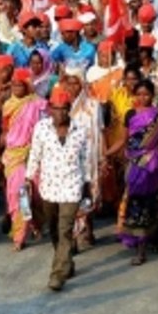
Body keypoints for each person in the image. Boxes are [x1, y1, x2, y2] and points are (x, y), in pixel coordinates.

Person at [26, 87, 91, 290]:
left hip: (72, 187)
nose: (59, 114)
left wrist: (88, 184)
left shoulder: (80, 130)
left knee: (65, 230)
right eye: (55, 109)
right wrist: (28, 178)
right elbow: (35, 154)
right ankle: (66, 261)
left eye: (64, 109)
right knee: (53, 228)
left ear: (69, 109)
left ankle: (57, 275)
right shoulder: (41, 128)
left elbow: (85, 160)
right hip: (48, 187)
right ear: (50, 109)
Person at [118, 78, 158, 266]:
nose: (143, 98)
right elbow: (124, 139)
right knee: (136, 203)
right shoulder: (130, 114)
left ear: (152, 95)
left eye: (146, 94)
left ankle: (149, 242)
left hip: (153, 164)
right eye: (139, 94)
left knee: (152, 202)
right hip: (134, 163)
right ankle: (140, 242)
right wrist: (107, 153)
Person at [0, 67, 45, 249]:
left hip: (34, 153)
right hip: (13, 154)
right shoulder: (8, 105)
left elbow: (43, 128)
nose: (17, 88)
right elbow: (5, 129)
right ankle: (19, 235)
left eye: (21, 85)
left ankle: (35, 224)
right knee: (17, 195)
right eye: (14, 85)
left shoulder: (38, 104)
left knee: (36, 195)